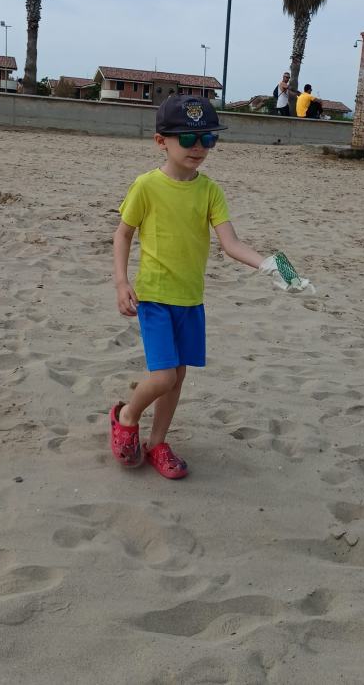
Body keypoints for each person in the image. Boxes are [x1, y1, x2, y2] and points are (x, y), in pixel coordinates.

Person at [111, 95, 268, 479]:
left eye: (208, 138)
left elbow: (231, 244)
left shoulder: (210, 191)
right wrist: (121, 281)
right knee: (162, 376)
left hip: (190, 300)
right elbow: (123, 233)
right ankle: (127, 416)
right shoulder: (146, 186)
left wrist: (270, 265)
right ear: (161, 140)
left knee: (177, 378)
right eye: (188, 138)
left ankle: (158, 442)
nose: (199, 147)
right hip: (154, 298)